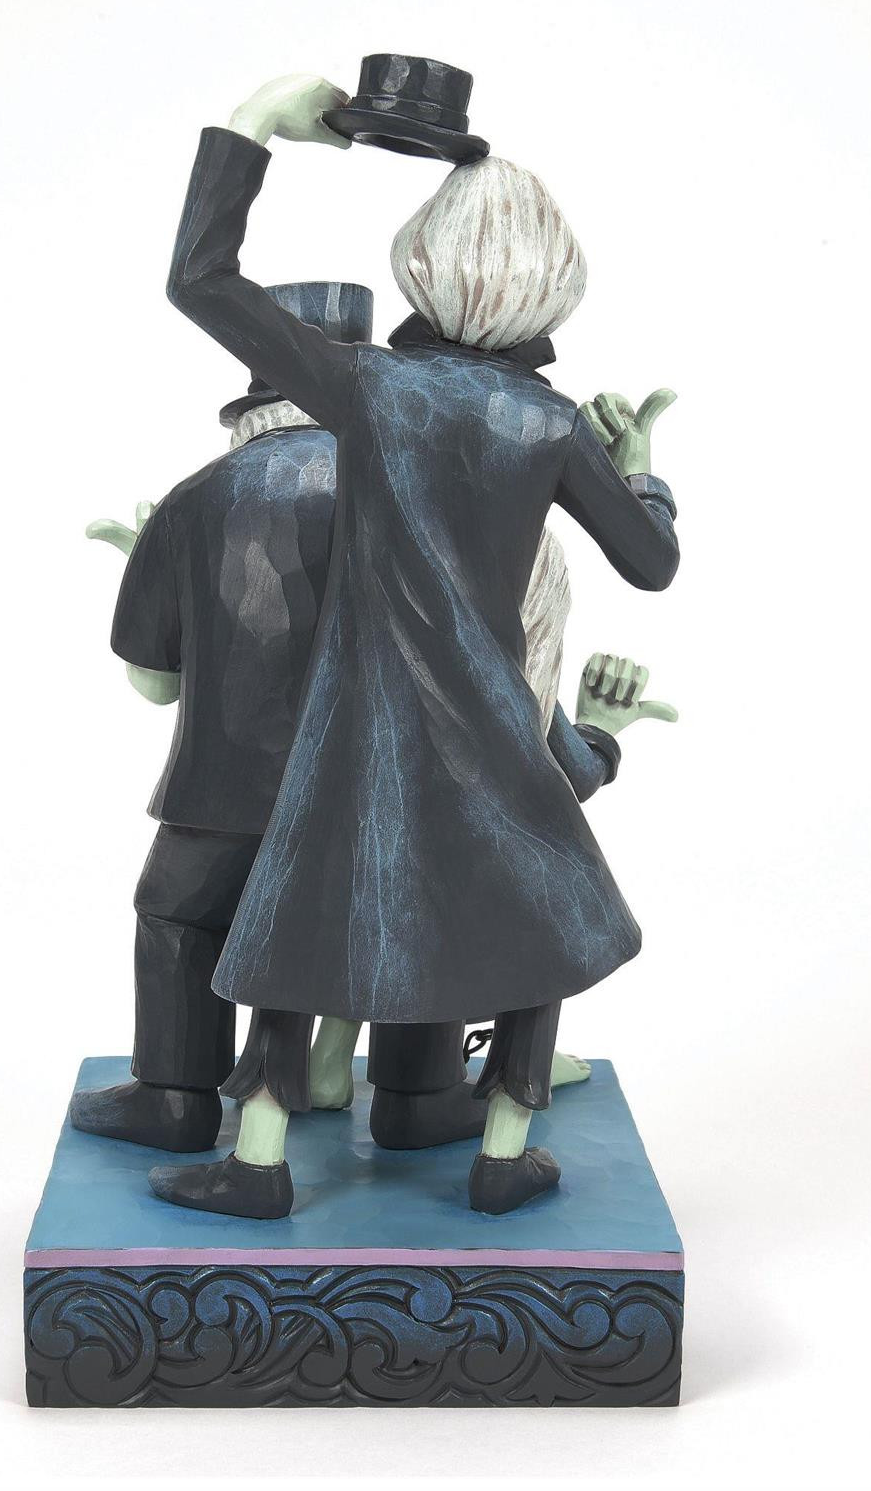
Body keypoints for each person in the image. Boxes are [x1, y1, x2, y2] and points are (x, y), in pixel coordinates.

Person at [148, 72, 680, 1219]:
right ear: (555, 285)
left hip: (362, 723)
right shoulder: (549, 422)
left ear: (424, 267)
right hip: (492, 724)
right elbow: (651, 564)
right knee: (540, 918)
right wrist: (639, 472)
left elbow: (201, 281)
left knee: (302, 915)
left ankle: (257, 1160)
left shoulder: (369, 385)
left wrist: (256, 125)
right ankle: (503, 1151)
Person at [72, 282, 643, 1155]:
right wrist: (591, 741)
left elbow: (155, 685)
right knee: (423, 913)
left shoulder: (195, 499)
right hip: (391, 778)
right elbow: (500, 663)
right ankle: (420, 1094)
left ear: (250, 404)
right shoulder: (430, 493)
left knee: (179, 917)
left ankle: (176, 1097)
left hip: (220, 795)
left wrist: (160, 576)